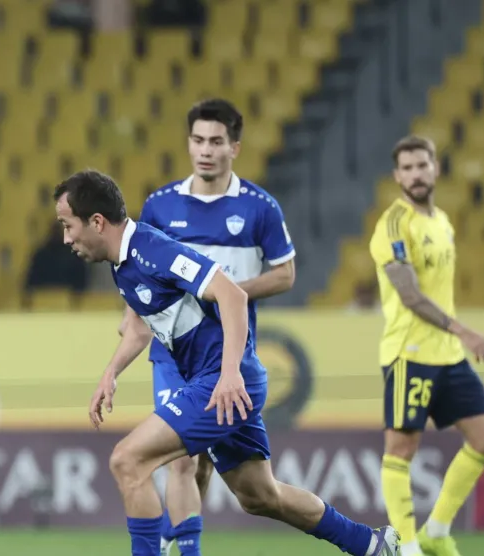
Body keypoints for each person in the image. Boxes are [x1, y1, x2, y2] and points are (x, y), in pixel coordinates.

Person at [56, 170, 399, 556]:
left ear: (97, 222)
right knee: (261, 495)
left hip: (221, 381)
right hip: (218, 382)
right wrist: (110, 373)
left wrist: (229, 373)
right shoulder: (122, 264)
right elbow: (139, 330)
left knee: (128, 460)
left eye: (68, 226)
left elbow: (232, 295)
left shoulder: (152, 250)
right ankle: (370, 544)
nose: (67, 238)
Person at [129, 98, 296, 556]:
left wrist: (226, 290)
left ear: (234, 147)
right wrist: (131, 324)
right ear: (188, 143)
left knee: (212, 470)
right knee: (183, 460)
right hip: (173, 352)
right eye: (198, 140)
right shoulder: (161, 206)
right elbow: (139, 268)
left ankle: (170, 540)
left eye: (216, 142)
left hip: (229, 353)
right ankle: (184, 550)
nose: (205, 150)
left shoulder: (260, 208)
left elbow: (286, 273)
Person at [369, 136, 484, 556]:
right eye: (406, 168)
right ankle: (408, 547)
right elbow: (409, 295)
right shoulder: (393, 224)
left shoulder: (442, 220)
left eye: (421, 165)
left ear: (436, 168)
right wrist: (463, 331)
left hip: (448, 356)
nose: (415, 174)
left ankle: (437, 531)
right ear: (397, 176)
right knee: (402, 448)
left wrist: (455, 338)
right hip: (410, 353)